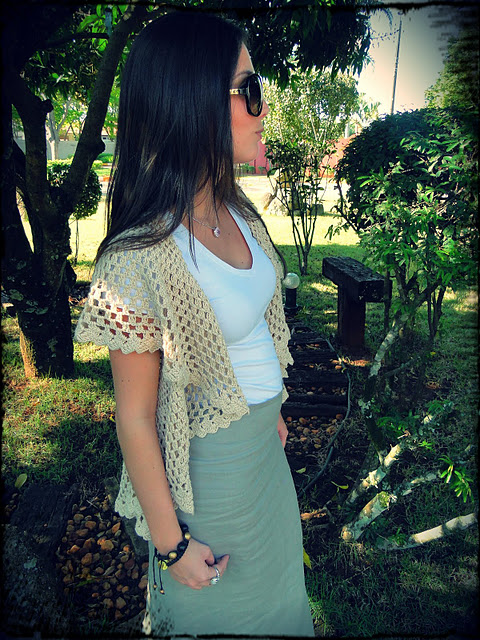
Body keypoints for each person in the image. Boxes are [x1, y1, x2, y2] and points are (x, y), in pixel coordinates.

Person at [75, 11, 314, 637]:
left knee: (285, 613)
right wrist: (172, 545)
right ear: (192, 101)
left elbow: (255, 333)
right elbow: (135, 417)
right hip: (211, 484)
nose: (264, 107)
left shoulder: (240, 213)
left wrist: (273, 407)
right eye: (249, 89)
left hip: (267, 466)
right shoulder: (138, 257)